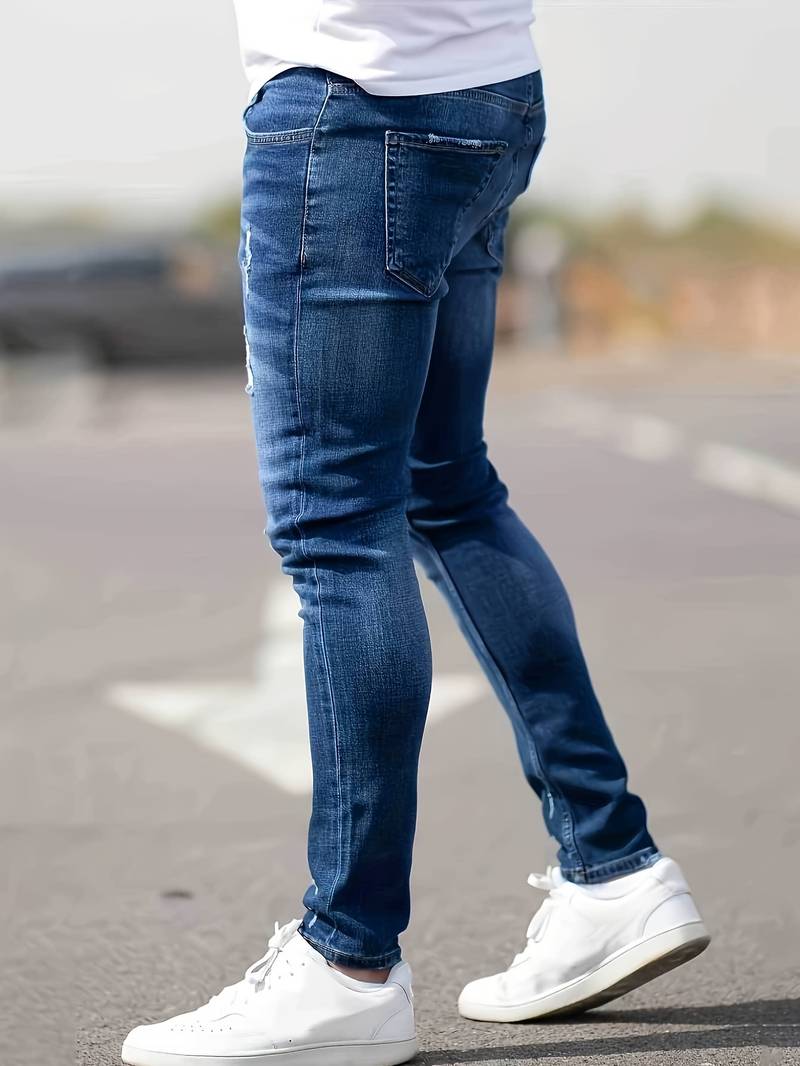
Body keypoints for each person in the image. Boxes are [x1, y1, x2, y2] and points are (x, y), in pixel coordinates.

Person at [122, 3, 709, 1064]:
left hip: (354, 99)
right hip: (485, 90)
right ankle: (612, 867)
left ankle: (347, 962)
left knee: (337, 526)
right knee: (447, 490)